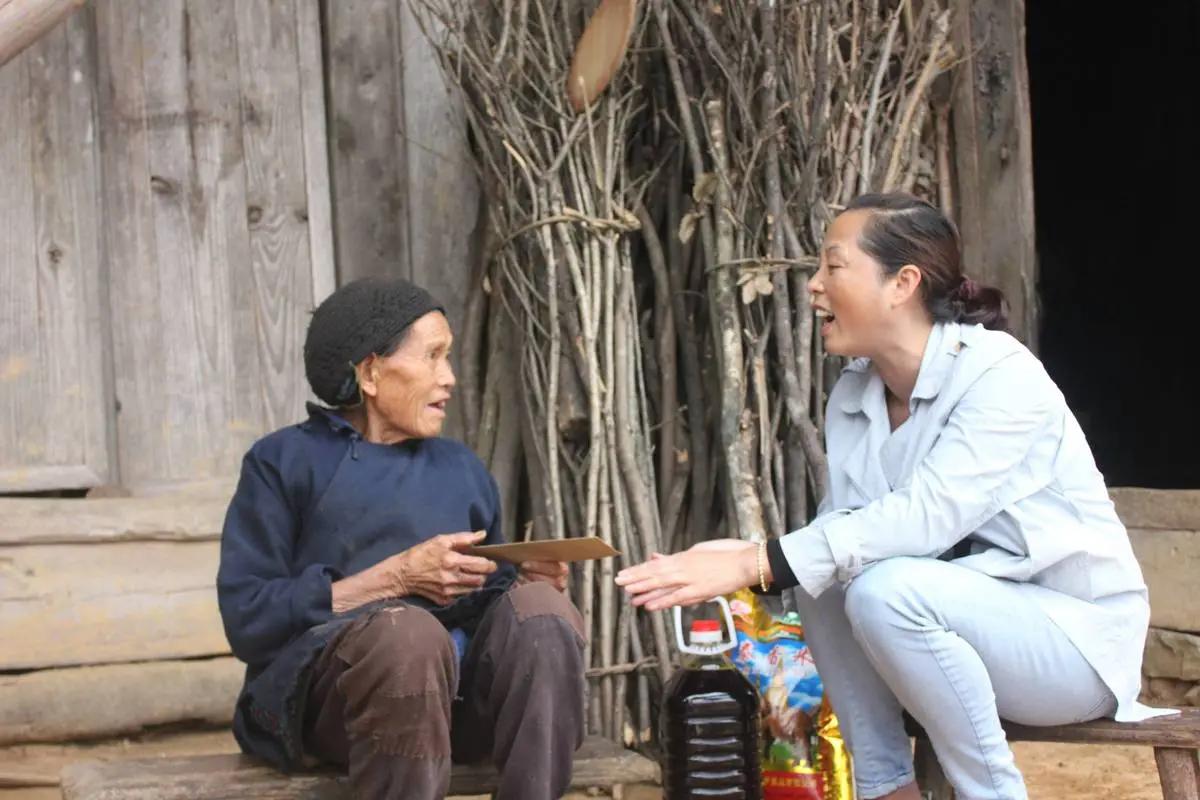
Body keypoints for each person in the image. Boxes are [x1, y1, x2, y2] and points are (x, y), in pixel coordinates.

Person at [616, 193, 1170, 800]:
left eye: (834, 266)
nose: (814, 288)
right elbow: (846, 535)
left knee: (879, 586)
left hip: (1071, 648)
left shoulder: (1000, 375)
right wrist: (743, 555)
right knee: (820, 578)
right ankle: (886, 789)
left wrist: (754, 561)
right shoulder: (855, 395)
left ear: (902, 283)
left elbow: (927, 517)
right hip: (954, 628)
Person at [217, 277, 586, 800]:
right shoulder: (282, 463)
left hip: (460, 710)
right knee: (407, 635)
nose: (450, 378)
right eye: (433, 357)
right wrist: (394, 579)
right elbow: (248, 618)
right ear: (370, 372)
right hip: (337, 708)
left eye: (449, 357)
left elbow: (494, 607)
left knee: (542, 615)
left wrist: (527, 582)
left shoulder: (461, 467)